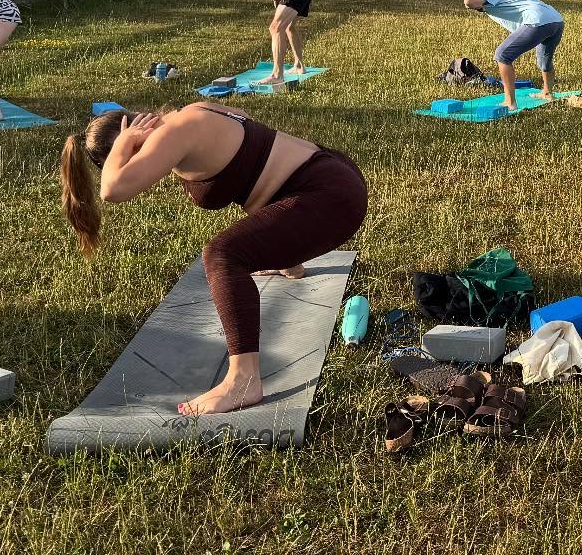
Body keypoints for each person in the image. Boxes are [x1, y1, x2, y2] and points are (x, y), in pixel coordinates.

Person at [60, 103, 367, 415]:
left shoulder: (173, 133)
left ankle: (243, 381)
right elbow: (258, 164)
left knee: (222, 255)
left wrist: (124, 144)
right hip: (334, 174)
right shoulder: (191, 111)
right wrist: (288, 253)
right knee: (238, 246)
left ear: (134, 141)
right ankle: (290, 262)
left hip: (330, 197)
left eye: (130, 157)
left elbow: (112, 189)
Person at [462, 0, 564, 110]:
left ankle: (510, 102)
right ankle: (547, 93)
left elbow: (469, 1)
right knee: (544, 61)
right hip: (556, 20)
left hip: (536, 20)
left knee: (502, 55)